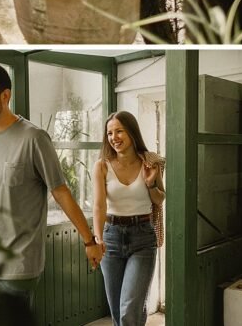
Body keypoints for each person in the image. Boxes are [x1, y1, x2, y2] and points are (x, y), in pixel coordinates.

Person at [0, 62, 100, 323]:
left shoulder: (34, 138)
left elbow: (60, 190)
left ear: (5, 96)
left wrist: (89, 241)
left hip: (19, 265)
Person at [93, 111, 166, 326]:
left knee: (129, 309)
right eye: (109, 133)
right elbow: (99, 206)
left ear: (132, 132)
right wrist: (98, 239)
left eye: (119, 131)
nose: (113, 137)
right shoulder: (102, 166)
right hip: (111, 238)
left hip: (142, 238)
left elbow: (159, 200)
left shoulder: (149, 162)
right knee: (118, 312)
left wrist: (151, 182)